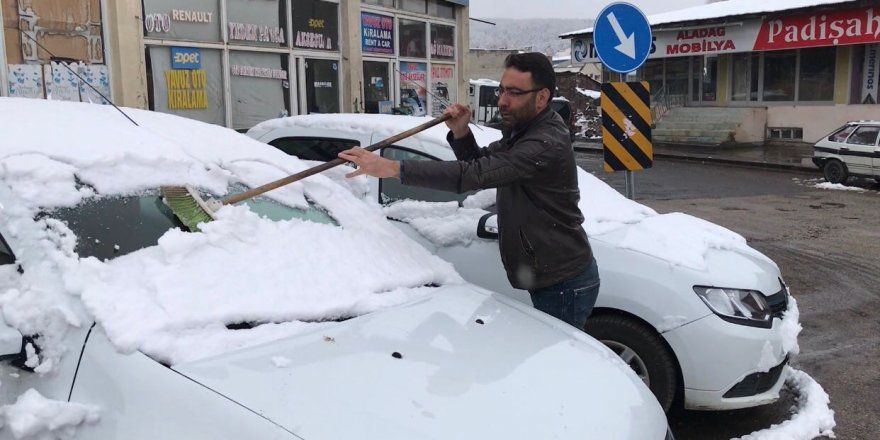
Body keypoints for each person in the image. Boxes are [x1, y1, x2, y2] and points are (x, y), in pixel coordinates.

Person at [338, 52, 598, 330]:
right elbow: (482, 164)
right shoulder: (525, 132)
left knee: (556, 365)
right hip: (551, 275)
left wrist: (393, 168)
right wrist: (461, 133)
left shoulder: (544, 143)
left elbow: (475, 175)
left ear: (542, 97)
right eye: (501, 90)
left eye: (513, 92)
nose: (502, 100)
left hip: (563, 282)